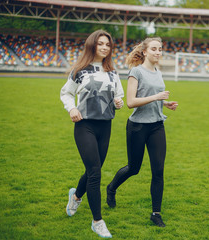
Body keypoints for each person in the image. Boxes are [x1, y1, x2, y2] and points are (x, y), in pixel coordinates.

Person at [106, 37, 178, 227]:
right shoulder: (136, 72)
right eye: (154, 49)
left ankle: (156, 213)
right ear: (145, 52)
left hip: (156, 126)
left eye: (160, 49)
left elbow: (151, 97)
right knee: (134, 168)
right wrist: (157, 97)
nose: (158, 52)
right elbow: (131, 102)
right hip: (137, 127)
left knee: (158, 170)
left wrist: (165, 103)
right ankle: (111, 188)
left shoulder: (158, 72)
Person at [60, 30, 124, 238]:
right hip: (84, 126)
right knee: (95, 174)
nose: (105, 47)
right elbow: (66, 93)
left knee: (92, 170)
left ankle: (76, 196)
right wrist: (72, 108)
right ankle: (97, 221)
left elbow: (119, 96)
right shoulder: (79, 70)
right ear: (92, 46)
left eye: (108, 44)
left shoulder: (113, 72)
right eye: (100, 44)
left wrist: (118, 102)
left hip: (105, 126)